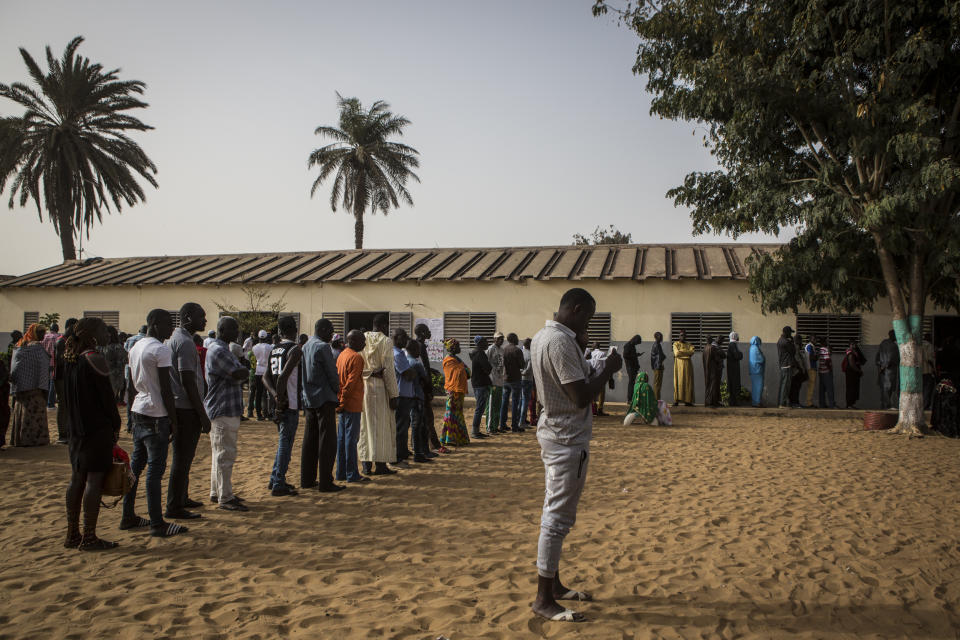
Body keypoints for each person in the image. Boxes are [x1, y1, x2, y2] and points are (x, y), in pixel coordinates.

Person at [530, 287, 622, 622]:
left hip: (557, 431)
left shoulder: (544, 336)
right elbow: (580, 396)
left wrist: (586, 356)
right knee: (556, 519)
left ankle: (553, 586)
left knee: (555, 513)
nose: (589, 325)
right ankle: (543, 598)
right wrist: (609, 368)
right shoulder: (559, 342)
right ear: (577, 309)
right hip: (566, 438)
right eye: (589, 317)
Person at [121, 309, 187, 538]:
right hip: (156, 413)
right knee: (155, 472)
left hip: (138, 410)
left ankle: (127, 515)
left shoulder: (135, 346)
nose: (171, 329)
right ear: (155, 324)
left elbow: (130, 385)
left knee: (135, 468)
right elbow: (166, 389)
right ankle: (158, 524)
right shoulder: (160, 349)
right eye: (169, 324)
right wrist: (174, 420)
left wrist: (130, 415)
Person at [63, 317, 122, 550]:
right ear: (93, 336)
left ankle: (72, 534)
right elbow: (108, 401)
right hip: (96, 429)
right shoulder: (95, 359)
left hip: (76, 428)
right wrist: (115, 425)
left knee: (77, 477)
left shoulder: (70, 359)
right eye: (103, 331)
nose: (108, 335)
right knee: (94, 479)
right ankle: (89, 536)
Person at [164, 303, 210, 521]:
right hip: (185, 408)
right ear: (189, 318)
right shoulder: (184, 342)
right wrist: (202, 413)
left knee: (186, 457)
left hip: (183, 406)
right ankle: (174, 505)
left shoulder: (179, 339)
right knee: (182, 459)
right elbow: (187, 379)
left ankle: (182, 496)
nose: (205, 321)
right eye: (202, 317)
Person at [205, 316, 250, 512]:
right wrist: (243, 370)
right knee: (225, 454)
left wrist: (241, 370)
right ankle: (226, 497)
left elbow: (239, 371)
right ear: (223, 330)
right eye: (234, 329)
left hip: (223, 407)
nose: (237, 332)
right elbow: (239, 372)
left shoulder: (221, 349)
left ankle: (217, 491)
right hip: (223, 408)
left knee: (219, 453)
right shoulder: (219, 351)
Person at [300, 318, 342, 492]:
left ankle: (307, 479)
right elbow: (332, 373)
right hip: (324, 398)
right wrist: (337, 390)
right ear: (323, 329)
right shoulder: (323, 347)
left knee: (310, 439)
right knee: (327, 441)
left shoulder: (306, 346)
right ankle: (326, 481)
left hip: (309, 398)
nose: (332, 334)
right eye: (330, 330)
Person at [263, 315, 302, 497]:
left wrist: (273, 395)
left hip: (278, 402)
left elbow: (265, 377)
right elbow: (282, 377)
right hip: (288, 402)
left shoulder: (275, 349)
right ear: (294, 330)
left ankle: (274, 478)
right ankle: (279, 481)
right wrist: (280, 400)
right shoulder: (294, 350)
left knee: (282, 441)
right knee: (285, 443)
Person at [358, 314, 399, 476]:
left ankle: (366, 465)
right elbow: (388, 370)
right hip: (381, 389)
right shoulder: (386, 341)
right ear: (383, 325)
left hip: (364, 387)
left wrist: (368, 372)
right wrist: (394, 394)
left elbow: (358, 364)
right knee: (383, 427)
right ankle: (381, 465)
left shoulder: (362, 339)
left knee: (365, 426)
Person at [9, 323, 50, 447]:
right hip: (35, 388)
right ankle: (35, 440)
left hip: (21, 387)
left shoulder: (20, 345)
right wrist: (43, 386)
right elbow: (42, 367)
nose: (43, 336)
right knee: (34, 414)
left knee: (21, 412)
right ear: (35, 333)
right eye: (41, 333)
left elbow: (15, 367)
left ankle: (20, 440)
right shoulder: (37, 348)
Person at [336, 330, 368, 483]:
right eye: (362, 341)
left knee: (342, 439)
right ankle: (352, 473)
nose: (365, 344)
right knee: (351, 440)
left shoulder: (342, 355)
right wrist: (343, 402)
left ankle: (341, 472)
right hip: (351, 403)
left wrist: (340, 402)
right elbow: (351, 383)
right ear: (354, 341)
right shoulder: (356, 357)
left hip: (343, 402)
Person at [414, 323, 441, 453]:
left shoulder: (418, 345)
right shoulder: (420, 346)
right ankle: (433, 445)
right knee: (427, 417)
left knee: (421, 418)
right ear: (423, 333)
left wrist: (432, 370)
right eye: (428, 331)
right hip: (422, 387)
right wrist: (429, 388)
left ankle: (418, 444)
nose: (430, 333)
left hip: (420, 386)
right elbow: (423, 368)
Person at [392, 328, 417, 467]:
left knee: (404, 425)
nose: (407, 340)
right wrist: (412, 372)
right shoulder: (397, 354)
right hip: (401, 395)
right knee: (400, 427)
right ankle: (397, 457)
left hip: (406, 394)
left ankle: (403, 451)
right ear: (398, 338)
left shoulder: (401, 353)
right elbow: (408, 374)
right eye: (404, 337)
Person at [440, 338, 470, 452]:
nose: (460, 348)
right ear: (452, 348)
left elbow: (467, 373)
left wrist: (465, 370)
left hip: (460, 391)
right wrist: (464, 370)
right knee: (451, 414)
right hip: (453, 391)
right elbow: (457, 374)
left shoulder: (457, 359)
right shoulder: (449, 361)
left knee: (458, 414)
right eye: (458, 346)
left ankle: (459, 438)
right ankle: (449, 439)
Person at [405, 339, 432, 463]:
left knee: (412, 425)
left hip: (408, 397)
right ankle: (418, 452)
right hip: (418, 397)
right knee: (418, 426)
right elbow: (425, 379)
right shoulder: (416, 364)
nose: (420, 352)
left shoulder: (405, 361)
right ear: (413, 350)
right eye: (418, 350)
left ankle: (414, 450)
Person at [468, 336, 493, 437]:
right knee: (480, 408)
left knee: (481, 407)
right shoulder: (480, 354)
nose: (487, 344)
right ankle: (474, 431)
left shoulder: (476, 353)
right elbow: (488, 368)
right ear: (479, 343)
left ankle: (476, 430)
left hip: (479, 383)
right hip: (480, 384)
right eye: (485, 342)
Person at [501, 333, 526, 431]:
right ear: (513, 339)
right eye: (516, 338)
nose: (517, 339)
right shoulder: (517, 350)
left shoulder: (504, 350)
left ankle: (502, 424)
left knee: (504, 402)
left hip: (506, 379)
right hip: (515, 379)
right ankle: (514, 426)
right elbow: (522, 365)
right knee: (515, 402)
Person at [248, 330, 272, 420]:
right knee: (268, 393)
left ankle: (259, 414)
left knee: (258, 393)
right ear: (266, 337)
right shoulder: (269, 347)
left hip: (258, 370)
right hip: (267, 370)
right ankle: (268, 413)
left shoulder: (254, 347)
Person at [102, 326, 128, 404]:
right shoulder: (118, 347)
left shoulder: (101, 347)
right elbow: (124, 361)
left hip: (108, 378)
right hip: (114, 379)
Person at [486, 332, 506, 433]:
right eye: (499, 339)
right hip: (492, 381)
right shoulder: (490, 349)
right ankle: (489, 427)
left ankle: (495, 426)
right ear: (494, 339)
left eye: (502, 339)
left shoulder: (502, 350)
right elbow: (486, 363)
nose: (501, 340)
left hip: (500, 381)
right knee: (491, 405)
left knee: (498, 405)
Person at [876, 330, 900, 409]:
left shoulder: (883, 343)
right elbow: (892, 358)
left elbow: (878, 355)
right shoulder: (893, 346)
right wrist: (885, 366)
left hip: (882, 369)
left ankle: (884, 405)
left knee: (884, 388)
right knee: (888, 388)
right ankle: (887, 405)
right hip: (889, 370)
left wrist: (880, 366)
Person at [672, 330, 695, 406]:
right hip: (678, 366)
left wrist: (681, 352)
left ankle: (688, 401)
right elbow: (676, 353)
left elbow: (692, 352)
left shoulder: (689, 344)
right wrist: (686, 353)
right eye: (681, 335)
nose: (683, 337)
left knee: (688, 382)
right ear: (679, 336)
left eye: (684, 335)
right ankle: (677, 400)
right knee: (679, 382)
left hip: (688, 366)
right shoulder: (675, 344)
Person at [776, 326, 797, 408]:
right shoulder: (786, 342)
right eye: (790, 333)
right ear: (787, 332)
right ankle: (782, 403)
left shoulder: (780, 341)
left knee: (783, 385)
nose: (791, 334)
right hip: (787, 365)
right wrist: (792, 341)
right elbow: (793, 351)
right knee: (786, 386)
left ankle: (781, 402)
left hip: (782, 365)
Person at [843, 338, 866, 409]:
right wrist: (859, 371)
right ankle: (849, 404)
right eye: (853, 344)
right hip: (851, 373)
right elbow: (852, 364)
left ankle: (851, 404)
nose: (854, 345)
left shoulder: (854, 351)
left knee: (853, 388)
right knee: (851, 388)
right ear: (850, 345)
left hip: (853, 373)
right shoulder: (850, 353)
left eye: (855, 344)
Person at [42, 322, 60, 408]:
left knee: (46, 382)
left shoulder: (44, 337)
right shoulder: (57, 337)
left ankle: (45, 401)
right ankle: (50, 403)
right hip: (54, 362)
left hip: (45, 362)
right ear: (57, 329)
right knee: (53, 382)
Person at [702, 336, 723, 407]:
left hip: (707, 370)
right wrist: (720, 362)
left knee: (708, 385)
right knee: (713, 385)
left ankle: (707, 401)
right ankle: (712, 402)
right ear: (711, 340)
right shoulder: (712, 348)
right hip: (713, 370)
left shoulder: (705, 348)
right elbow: (717, 359)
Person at [817, 338, 837, 409]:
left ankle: (822, 404)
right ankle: (832, 404)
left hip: (821, 371)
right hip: (826, 371)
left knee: (822, 389)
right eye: (826, 342)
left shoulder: (819, 350)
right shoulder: (825, 349)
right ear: (824, 342)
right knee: (830, 389)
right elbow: (827, 360)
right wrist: (830, 369)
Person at [725, 332, 743, 406]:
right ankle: (733, 402)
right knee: (734, 384)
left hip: (731, 367)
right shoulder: (733, 345)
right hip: (733, 368)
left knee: (732, 383)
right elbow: (737, 356)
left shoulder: (732, 345)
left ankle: (732, 401)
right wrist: (741, 354)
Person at [520, 337, 535, 426]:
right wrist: (523, 373)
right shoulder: (530, 355)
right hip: (527, 380)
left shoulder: (520, 353)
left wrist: (520, 372)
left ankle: (522, 420)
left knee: (521, 400)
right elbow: (528, 370)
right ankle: (522, 421)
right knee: (525, 401)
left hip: (519, 380)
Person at [622, 335, 642, 400]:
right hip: (630, 366)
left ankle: (632, 397)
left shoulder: (632, 346)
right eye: (637, 342)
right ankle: (629, 398)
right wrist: (634, 355)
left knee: (633, 382)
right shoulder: (628, 345)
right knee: (631, 382)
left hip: (633, 366)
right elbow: (625, 355)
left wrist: (637, 354)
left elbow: (631, 354)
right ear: (635, 340)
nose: (637, 344)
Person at [749, 336, 765, 407]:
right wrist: (764, 357)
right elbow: (761, 359)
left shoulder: (751, 348)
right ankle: (757, 402)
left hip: (753, 370)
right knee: (759, 387)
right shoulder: (756, 348)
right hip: (757, 370)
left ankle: (754, 402)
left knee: (755, 387)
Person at [922, 333, 936, 410]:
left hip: (920, 371)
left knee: (922, 388)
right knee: (927, 389)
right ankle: (925, 405)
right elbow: (929, 359)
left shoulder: (919, 345)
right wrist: (934, 368)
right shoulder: (929, 346)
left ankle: (922, 405)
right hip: (927, 371)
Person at [650, 332, 666, 401]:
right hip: (658, 367)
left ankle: (657, 399)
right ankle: (656, 399)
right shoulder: (657, 345)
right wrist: (660, 364)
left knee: (657, 384)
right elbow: (660, 356)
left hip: (657, 366)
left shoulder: (657, 344)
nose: (662, 338)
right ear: (657, 337)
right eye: (661, 336)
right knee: (657, 384)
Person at [804, 335, 819, 408]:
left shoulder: (810, 346)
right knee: (811, 386)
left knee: (811, 386)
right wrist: (816, 356)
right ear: (811, 339)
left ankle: (809, 402)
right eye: (814, 339)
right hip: (811, 368)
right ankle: (809, 403)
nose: (815, 341)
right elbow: (811, 357)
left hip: (811, 368)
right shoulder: (810, 346)